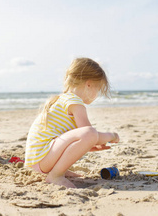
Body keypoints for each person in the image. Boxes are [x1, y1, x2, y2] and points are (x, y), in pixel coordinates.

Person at [25, 57, 119, 188]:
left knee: (88, 134)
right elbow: (90, 133)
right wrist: (112, 136)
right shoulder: (74, 101)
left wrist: (89, 144)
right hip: (42, 160)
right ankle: (56, 175)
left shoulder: (62, 99)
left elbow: (70, 140)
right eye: (98, 89)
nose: (97, 94)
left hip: (37, 161)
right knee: (90, 132)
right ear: (89, 84)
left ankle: (59, 170)